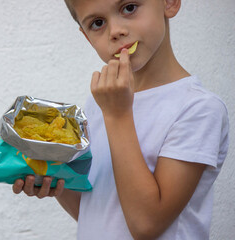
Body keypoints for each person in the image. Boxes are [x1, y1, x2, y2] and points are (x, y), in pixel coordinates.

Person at [12, 0, 229, 239]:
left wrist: (117, 115)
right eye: (97, 23)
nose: (115, 31)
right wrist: (54, 176)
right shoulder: (101, 101)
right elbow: (97, 213)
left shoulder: (198, 108)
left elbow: (146, 225)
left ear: (169, 3)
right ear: (86, 37)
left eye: (129, 7)